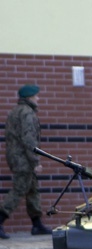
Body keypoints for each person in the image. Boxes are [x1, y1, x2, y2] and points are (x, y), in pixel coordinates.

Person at [0, 84, 52, 239]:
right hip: (23, 159)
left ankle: (37, 224)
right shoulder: (27, 113)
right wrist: (35, 161)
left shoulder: (15, 112)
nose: (38, 98)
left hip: (17, 157)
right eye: (36, 96)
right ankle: (1, 218)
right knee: (20, 189)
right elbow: (29, 140)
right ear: (29, 97)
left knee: (33, 190)